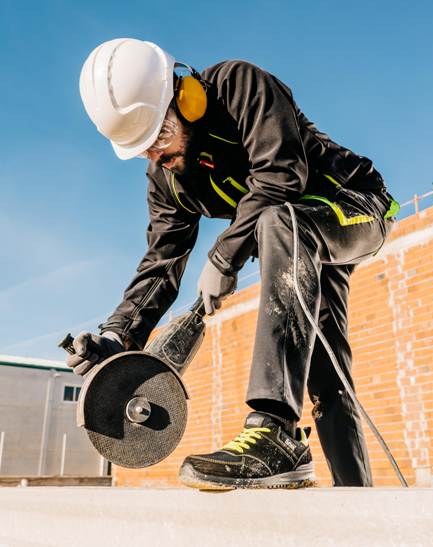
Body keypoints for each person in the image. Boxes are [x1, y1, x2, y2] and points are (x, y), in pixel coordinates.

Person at [68, 37, 399, 489]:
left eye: (158, 136)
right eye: (142, 149)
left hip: (353, 204)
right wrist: (115, 337)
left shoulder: (238, 88)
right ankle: (357, 501)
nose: (155, 154)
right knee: (326, 375)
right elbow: (162, 262)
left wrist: (224, 255)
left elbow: (282, 174)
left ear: (185, 97)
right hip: (294, 248)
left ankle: (273, 431)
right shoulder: (167, 175)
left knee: (281, 222)